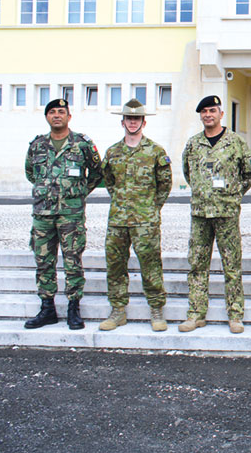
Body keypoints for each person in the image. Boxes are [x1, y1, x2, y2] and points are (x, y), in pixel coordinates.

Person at [179, 95, 251, 334]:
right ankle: (196, 314)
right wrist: (202, 191)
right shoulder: (193, 144)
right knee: (197, 265)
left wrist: (235, 193)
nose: (208, 115)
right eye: (203, 112)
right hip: (200, 214)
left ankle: (235, 315)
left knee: (231, 265)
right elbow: (187, 172)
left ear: (221, 114)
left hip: (227, 213)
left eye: (212, 110)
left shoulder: (235, 142)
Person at [24, 98, 102, 330]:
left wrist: (78, 193)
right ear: (47, 117)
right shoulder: (37, 145)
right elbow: (31, 173)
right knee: (43, 262)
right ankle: (47, 308)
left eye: (61, 112)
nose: (57, 115)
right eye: (52, 112)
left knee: (72, 261)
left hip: (71, 215)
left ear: (69, 116)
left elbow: (98, 172)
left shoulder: (82, 144)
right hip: (43, 215)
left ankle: (73, 308)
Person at [98, 99, 172, 332]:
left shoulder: (155, 151)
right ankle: (118, 310)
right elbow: (109, 182)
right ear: (123, 122)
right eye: (129, 119)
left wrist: (151, 208)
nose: (133, 122)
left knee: (150, 265)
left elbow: (165, 184)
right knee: (115, 265)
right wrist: (123, 202)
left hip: (145, 221)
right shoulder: (112, 152)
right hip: (118, 220)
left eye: (137, 119)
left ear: (143, 122)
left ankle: (157, 309)